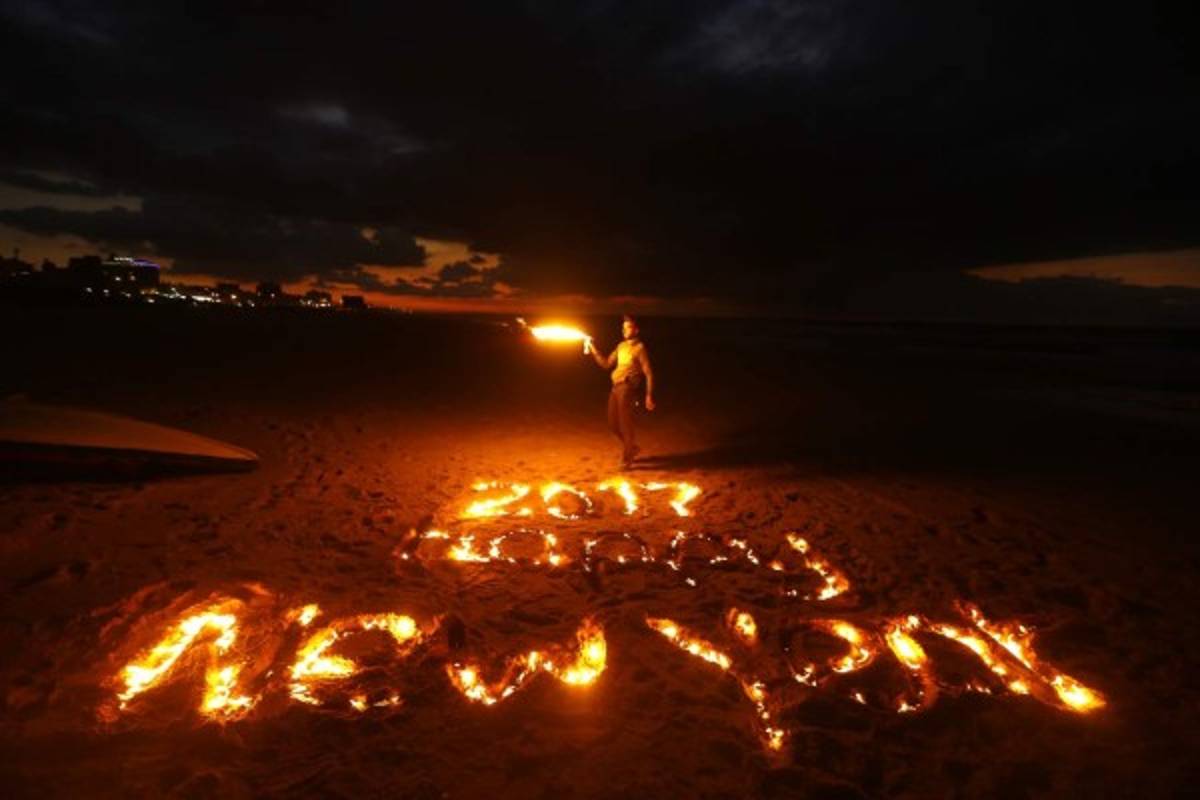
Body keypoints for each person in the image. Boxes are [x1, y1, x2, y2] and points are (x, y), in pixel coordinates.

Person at [588, 314, 654, 468]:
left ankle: (627, 458)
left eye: (628, 327)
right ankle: (632, 448)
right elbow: (606, 364)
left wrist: (649, 395)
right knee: (613, 424)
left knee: (626, 425)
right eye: (623, 327)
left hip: (627, 388)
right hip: (615, 388)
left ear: (636, 330)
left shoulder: (640, 348)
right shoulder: (621, 346)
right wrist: (592, 348)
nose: (624, 330)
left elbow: (649, 372)